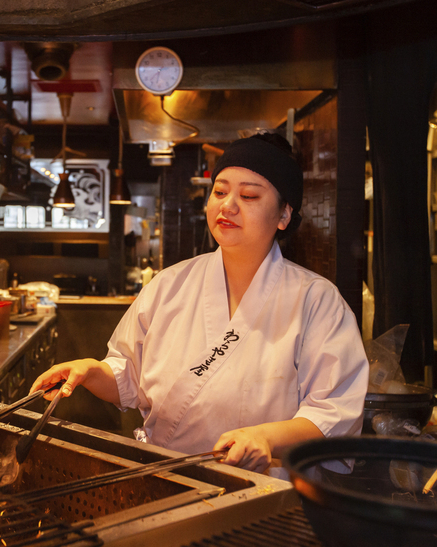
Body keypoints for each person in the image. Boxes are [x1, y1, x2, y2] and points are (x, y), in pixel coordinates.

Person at [30, 133, 369, 476]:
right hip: (165, 479)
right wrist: (90, 370)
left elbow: (333, 413)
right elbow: (126, 375)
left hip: (263, 492)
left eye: (249, 195)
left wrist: (266, 438)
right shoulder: (169, 285)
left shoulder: (317, 301)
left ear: (284, 214)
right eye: (219, 192)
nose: (228, 206)